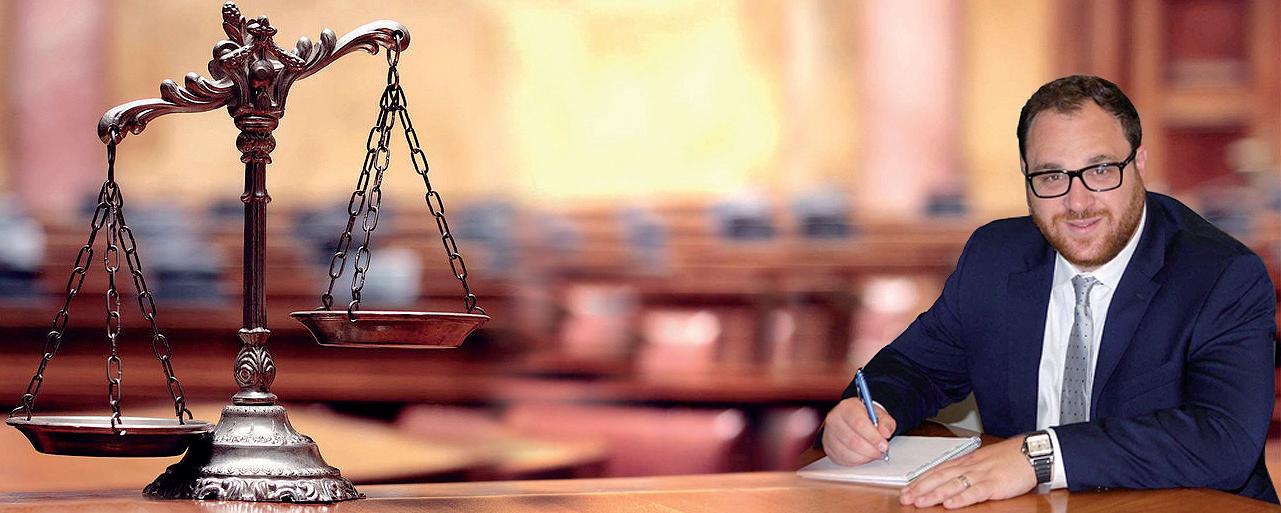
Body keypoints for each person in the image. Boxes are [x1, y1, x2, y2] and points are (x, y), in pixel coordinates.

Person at [820, 75, 1278, 508]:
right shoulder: (995, 258)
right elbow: (917, 368)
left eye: (1100, 170)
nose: (1078, 202)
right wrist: (866, 411)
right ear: (1026, 174)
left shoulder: (1220, 276)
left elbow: (1224, 440)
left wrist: (1040, 456)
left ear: (1139, 163)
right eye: (1052, 176)